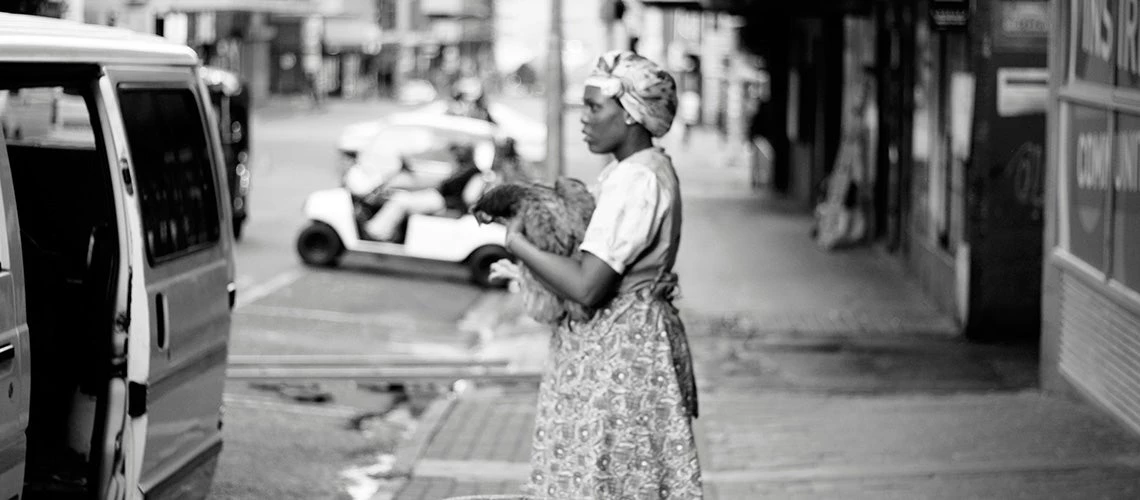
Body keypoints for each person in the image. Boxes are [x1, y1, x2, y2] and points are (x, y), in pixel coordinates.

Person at [489, 50, 702, 499]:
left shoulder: (636, 180)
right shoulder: (635, 170)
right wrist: (528, 270)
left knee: (605, 477)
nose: (583, 118)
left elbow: (589, 285)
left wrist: (518, 242)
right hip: (619, 347)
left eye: (593, 106)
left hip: (619, 355)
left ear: (628, 115)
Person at [363, 142, 494, 242]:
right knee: (400, 196)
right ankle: (390, 233)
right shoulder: (463, 169)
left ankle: (377, 232)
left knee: (401, 201)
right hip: (438, 197)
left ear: (468, 153)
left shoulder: (471, 171)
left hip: (442, 201)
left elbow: (464, 195)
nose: (456, 154)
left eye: (460, 151)